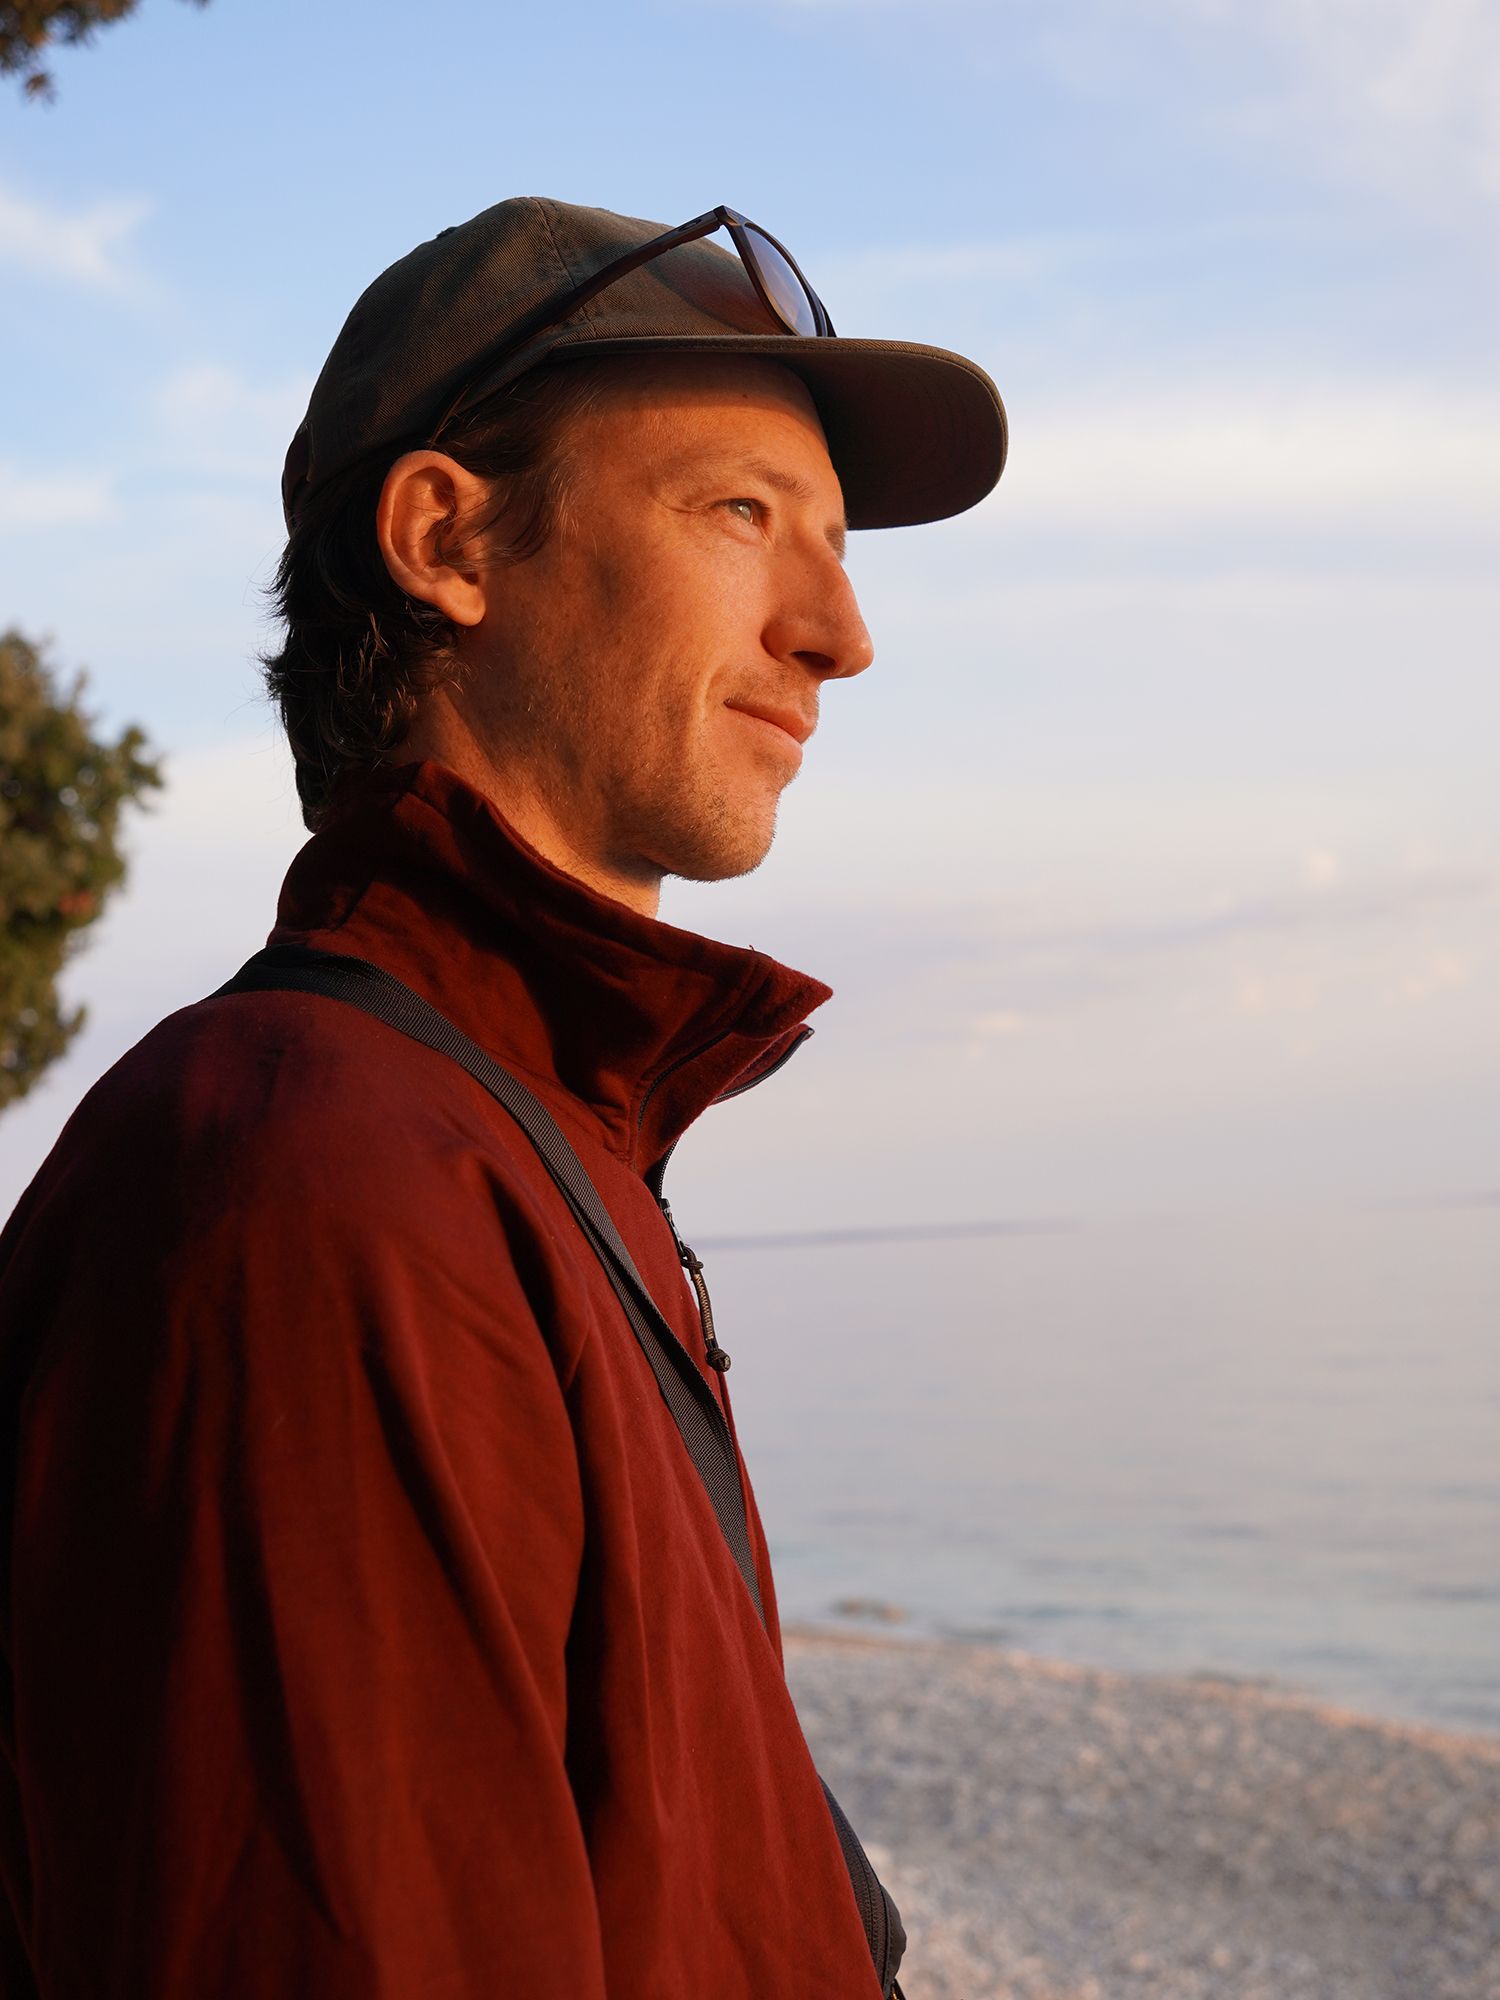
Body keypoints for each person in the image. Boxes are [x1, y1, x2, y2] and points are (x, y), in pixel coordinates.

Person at [0, 198, 1005, 1998]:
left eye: (840, 550)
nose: (841, 632)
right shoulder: (322, 1183)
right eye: (742, 515)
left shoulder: (520, 1141)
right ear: (449, 538)